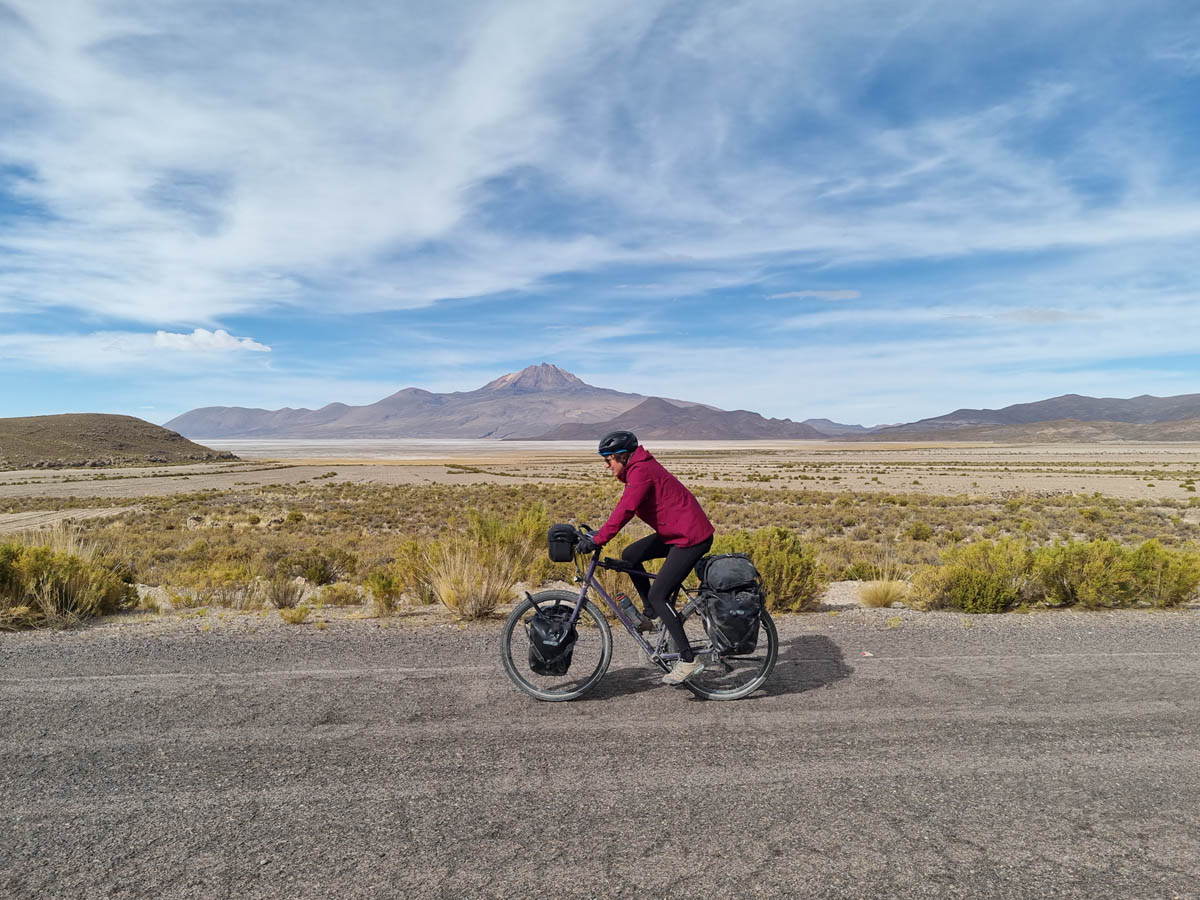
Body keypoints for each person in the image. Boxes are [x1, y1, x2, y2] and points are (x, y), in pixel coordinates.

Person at [575, 430, 715, 685]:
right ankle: (651, 614)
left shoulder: (641, 472)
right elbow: (624, 508)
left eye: (608, 460)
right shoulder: (637, 469)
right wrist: (599, 533)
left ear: (623, 456)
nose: (606, 466)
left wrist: (598, 539)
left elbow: (626, 509)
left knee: (658, 594)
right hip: (676, 533)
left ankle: (687, 660)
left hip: (691, 538)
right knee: (630, 555)